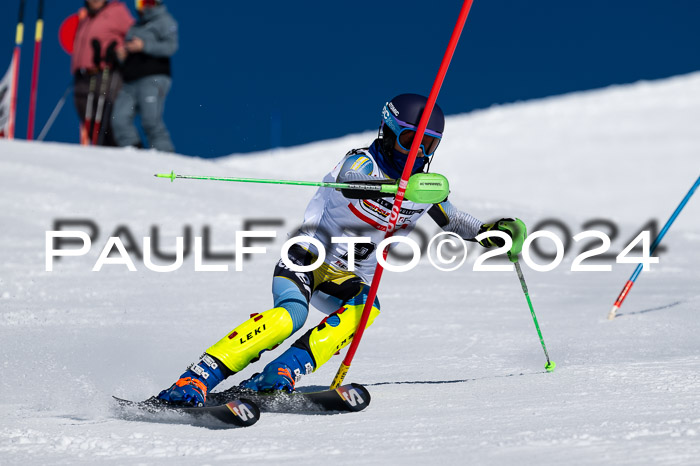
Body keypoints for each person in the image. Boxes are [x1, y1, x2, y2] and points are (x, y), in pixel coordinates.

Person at [156, 94, 527, 406]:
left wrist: (491, 233)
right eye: (408, 141)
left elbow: (453, 219)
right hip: (308, 259)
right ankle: (195, 379)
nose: (416, 154)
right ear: (388, 132)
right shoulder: (362, 161)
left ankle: (277, 375)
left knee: (367, 307)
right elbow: (353, 182)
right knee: (290, 317)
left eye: (427, 145)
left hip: (348, 277)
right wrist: (394, 191)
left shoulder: (424, 186)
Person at [111, 0, 177, 152]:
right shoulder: (135, 27)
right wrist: (122, 56)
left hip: (153, 77)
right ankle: (134, 153)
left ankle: (166, 158)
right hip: (130, 81)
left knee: (150, 121)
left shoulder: (164, 21)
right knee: (119, 119)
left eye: (148, 2)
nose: (145, 7)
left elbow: (171, 47)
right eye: (140, 3)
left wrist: (144, 45)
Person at [71, 0, 134, 146]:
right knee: (88, 116)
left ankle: (120, 151)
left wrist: (122, 51)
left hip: (107, 73)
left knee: (107, 116)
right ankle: (103, 149)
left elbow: (134, 33)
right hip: (83, 75)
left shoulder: (116, 11)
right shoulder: (85, 17)